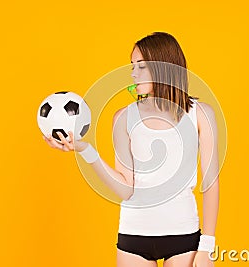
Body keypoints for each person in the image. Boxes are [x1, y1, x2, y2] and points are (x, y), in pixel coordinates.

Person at [43, 32, 219, 267]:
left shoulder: (201, 114)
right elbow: (126, 188)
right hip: (134, 236)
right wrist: (84, 149)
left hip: (183, 236)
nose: (133, 73)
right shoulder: (123, 117)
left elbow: (211, 183)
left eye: (141, 66)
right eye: (132, 66)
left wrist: (207, 245)